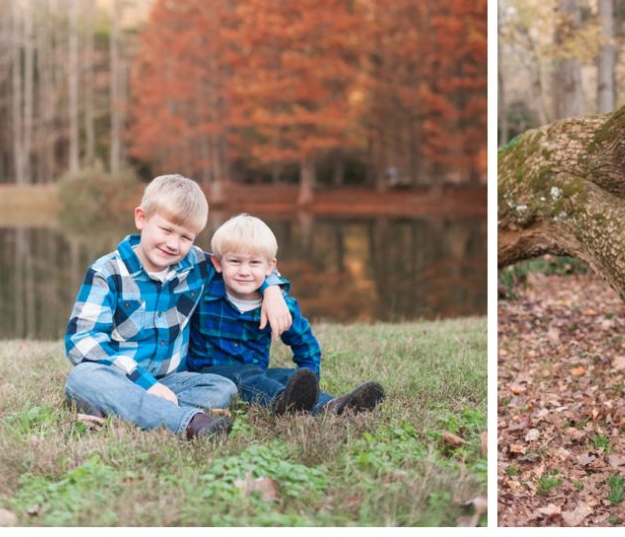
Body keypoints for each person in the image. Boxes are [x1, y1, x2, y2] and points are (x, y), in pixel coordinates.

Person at [64, 174, 293, 440]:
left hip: (173, 381)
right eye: (166, 230)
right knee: (82, 377)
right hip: (119, 377)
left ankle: (122, 410)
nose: (173, 244)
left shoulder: (195, 265)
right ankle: (191, 423)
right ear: (141, 218)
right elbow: (82, 341)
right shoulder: (108, 272)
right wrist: (145, 384)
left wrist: (272, 288)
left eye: (186, 236)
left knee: (223, 386)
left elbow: (242, 265)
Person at [187, 214, 386, 416]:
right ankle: (283, 403)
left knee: (285, 377)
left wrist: (310, 377)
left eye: (254, 263)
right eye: (235, 261)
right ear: (218, 263)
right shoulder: (202, 292)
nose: (244, 271)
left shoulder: (280, 307)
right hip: (207, 375)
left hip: (257, 374)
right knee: (246, 376)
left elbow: (305, 343)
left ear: (270, 267)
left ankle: (333, 406)